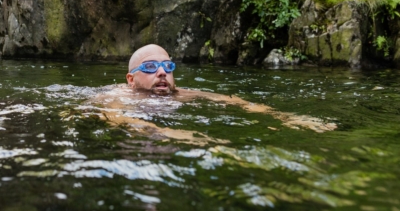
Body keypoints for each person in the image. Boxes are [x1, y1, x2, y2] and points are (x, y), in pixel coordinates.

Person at [92, 44, 335, 143]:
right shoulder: (116, 96)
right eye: (150, 67)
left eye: (167, 66)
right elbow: (118, 120)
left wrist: (286, 117)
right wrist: (171, 134)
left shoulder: (180, 94)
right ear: (131, 80)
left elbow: (233, 101)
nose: (162, 72)